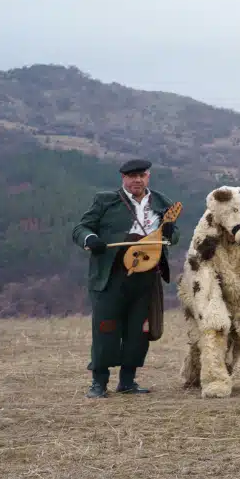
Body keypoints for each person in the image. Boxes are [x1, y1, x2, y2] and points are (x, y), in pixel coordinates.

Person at [71, 158, 180, 398]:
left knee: (138, 330)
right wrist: (91, 240)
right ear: (123, 179)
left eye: (141, 175)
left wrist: (171, 232)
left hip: (147, 276)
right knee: (106, 328)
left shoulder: (162, 202)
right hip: (112, 274)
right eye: (132, 176)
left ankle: (128, 382)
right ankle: (99, 383)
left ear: (148, 177)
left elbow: (174, 237)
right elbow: (80, 228)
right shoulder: (105, 200)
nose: (137, 180)